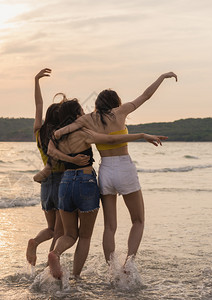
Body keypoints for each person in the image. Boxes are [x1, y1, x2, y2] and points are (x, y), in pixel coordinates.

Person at [53, 72, 177, 264]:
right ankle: (129, 262)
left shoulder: (88, 119)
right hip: (124, 168)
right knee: (138, 221)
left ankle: (112, 269)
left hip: (106, 172)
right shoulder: (120, 112)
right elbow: (146, 95)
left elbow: (64, 131)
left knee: (109, 227)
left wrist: (59, 135)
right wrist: (162, 77)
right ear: (115, 102)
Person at [26, 69, 89, 266]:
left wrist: (36, 81)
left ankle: (35, 241)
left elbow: (38, 104)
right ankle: (50, 267)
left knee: (51, 228)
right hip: (63, 182)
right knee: (61, 232)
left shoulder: (39, 132)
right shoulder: (61, 135)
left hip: (46, 184)